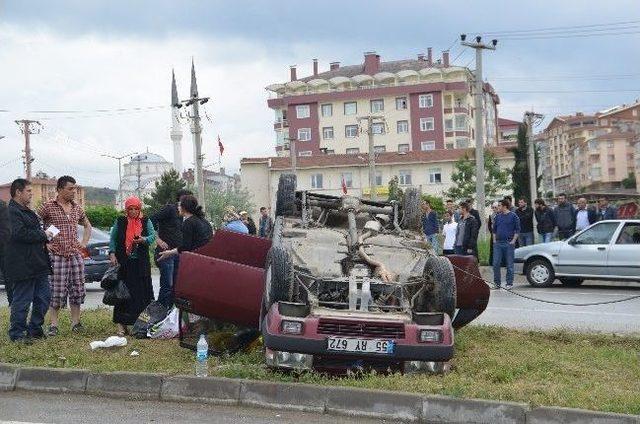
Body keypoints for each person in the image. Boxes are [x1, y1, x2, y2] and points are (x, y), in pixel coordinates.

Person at [38, 176, 91, 336]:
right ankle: (54, 325)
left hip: (75, 255)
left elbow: (87, 225)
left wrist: (84, 242)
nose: (73, 191)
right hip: (57, 255)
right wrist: (45, 244)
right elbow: (34, 223)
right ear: (60, 189)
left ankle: (76, 323)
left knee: (77, 289)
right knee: (57, 290)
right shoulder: (48, 206)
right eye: (70, 189)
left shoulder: (77, 208)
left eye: (75, 188)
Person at [5, 179, 52, 342]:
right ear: (18, 192)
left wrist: (44, 238)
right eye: (29, 191)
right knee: (22, 300)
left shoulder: (28, 211)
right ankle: (17, 333)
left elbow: (33, 232)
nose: (31, 194)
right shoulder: (11, 212)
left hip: (38, 263)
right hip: (23, 265)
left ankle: (35, 329)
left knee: (44, 297)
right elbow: (19, 234)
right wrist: (43, 235)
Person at [108, 197, 156, 336]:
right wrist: (112, 253)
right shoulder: (120, 221)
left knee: (143, 295)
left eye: (136, 208)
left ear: (139, 209)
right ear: (126, 209)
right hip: (124, 263)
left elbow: (153, 236)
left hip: (141, 264)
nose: (133, 211)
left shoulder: (146, 221)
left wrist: (144, 239)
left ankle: (141, 325)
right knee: (123, 295)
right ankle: (121, 326)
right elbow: (113, 239)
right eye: (130, 209)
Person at [151, 189, 192, 308]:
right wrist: (158, 239)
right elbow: (150, 220)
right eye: (188, 199)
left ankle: (170, 314)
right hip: (166, 253)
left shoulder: (186, 214)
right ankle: (159, 312)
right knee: (167, 286)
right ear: (181, 199)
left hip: (178, 253)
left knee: (176, 286)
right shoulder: (169, 209)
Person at [157, 195, 213, 262]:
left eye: (179, 206)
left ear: (184, 208)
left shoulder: (188, 223)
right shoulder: (203, 220)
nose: (178, 208)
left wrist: (169, 252)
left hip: (196, 260)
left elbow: (186, 247)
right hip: (208, 258)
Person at [492, 199, 520, 290]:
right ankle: (497, 283)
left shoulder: (513, 216)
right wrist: (494, 240)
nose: (497, 207)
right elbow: (494, 230)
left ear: (504, 206)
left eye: (499, 205)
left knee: (509, 264)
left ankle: (509, 283)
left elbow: (517, 229)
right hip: (498, 244)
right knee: (496, 263)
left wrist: (513, 241)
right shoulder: (497, 217)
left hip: (509, 243)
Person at [0, 199, 11, 305]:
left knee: (9, 280)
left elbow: (6, 231)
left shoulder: (2, 206)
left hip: (3, 251)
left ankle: (11, 306)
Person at [487, 202, 500, 266]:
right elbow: (489, 225)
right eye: (493, 207)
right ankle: (491, 262)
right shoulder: (491, 215)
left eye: (495, 207)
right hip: (493, 234)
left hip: (500, 234)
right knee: (492, 248)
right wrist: (492, 232)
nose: (494, 209)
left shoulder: (501, 215)